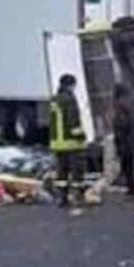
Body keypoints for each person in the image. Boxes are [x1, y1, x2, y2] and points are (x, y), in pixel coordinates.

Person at [49, 74, 87, 208]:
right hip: (71, 143)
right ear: (70, 85)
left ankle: (62, 199)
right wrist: (82, 136)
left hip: (57, 144)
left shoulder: (54, 99)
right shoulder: (69, 99)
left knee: (61, 173)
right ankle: (78, 198)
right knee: (77, 172)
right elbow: (73, 122)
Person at [111, 83, 134, 197]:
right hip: (128, 140)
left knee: (127, 166)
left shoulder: (119, 106)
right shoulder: (126, 105)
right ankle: (131, 187)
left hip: (124, 141)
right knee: (128, 166)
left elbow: (121, 125)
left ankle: (131, 188)